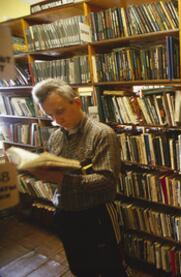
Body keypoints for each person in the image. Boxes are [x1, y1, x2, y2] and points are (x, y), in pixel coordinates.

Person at [29, 79, 127, 276]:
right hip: (65, 212)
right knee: (80, 267)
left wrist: (62, 179)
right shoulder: (56, 135)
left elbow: (106, 182)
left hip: (96, 216)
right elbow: (58, 172)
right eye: (50, 115)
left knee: (111, 268)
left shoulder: (102, 134)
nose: (57, 120)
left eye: (60, 111)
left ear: (77, 103)